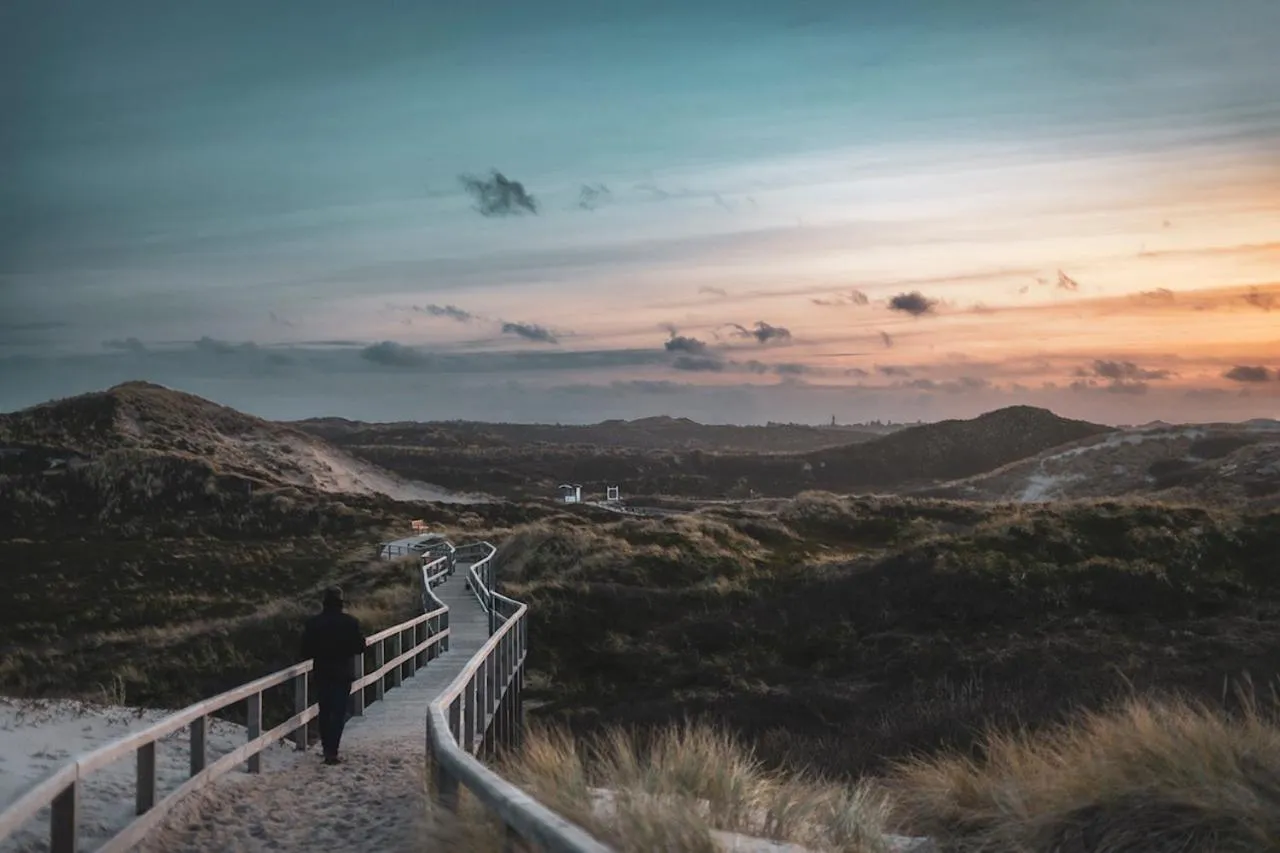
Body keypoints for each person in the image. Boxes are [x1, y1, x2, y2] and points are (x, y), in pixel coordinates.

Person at [299, 586, 366, 765]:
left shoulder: (313, 623)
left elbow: (305, 651)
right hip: (343, 673)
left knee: (325, 711)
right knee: (339, 712)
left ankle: (326, 748)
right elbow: (360, 647)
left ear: (324, 603)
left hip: (322, 672)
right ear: (341, 603)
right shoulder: (351, 622)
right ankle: (332, 751)